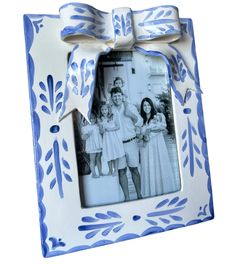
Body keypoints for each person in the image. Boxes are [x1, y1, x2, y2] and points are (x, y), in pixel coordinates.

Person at [110, 86, 143, 201]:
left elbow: (140, 122)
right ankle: (127, 197)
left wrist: (130, 114)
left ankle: (139, 195)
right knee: (121, 171)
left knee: (134, 169)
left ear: (122, 96)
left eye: (119, 95)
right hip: (117, 145)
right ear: (112, 98)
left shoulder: (131, 107)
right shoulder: (110, 110)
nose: (117, 98)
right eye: (114, 96)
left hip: (131, 142)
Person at [139, 97, 176, 197]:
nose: (146, 107)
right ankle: (151, 192)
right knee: (149, 167)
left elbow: (163, 126)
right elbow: (139, 135)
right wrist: (143, 135)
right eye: (144, 105)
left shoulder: (158, 116)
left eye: (148, 105)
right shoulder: (141, 120)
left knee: (159, 166)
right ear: (142, 108)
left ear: (151, 105)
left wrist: (149, 131)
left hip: (157, 146)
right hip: (146, 148)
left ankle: (161, 190)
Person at [98, 102, 125, 176]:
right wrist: (103, 128)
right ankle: (110, 170)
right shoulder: (100, 119)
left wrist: (110, 129)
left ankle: (115, 170)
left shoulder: (113, 116)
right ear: (100, 111)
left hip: (113, 137)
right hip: (106, 139)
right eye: (102, 110)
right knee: (108, 154)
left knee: (114, 153)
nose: (104, 111)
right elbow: (101, 131)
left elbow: (118, 126)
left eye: (105, 109)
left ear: (108, 109)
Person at [81, 113, 103, 178]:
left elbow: (101, 133)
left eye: (93, 118)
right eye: (90, 119)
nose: (92, 120)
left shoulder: (97, 126)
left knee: (99, 159)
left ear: (95, 119)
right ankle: (93, 174)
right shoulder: (85, 128)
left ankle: (100, 172)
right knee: (92, 160)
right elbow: (83, 137)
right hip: (92, 146)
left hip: (98, 145)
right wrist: (88, 135)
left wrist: (99, 123)